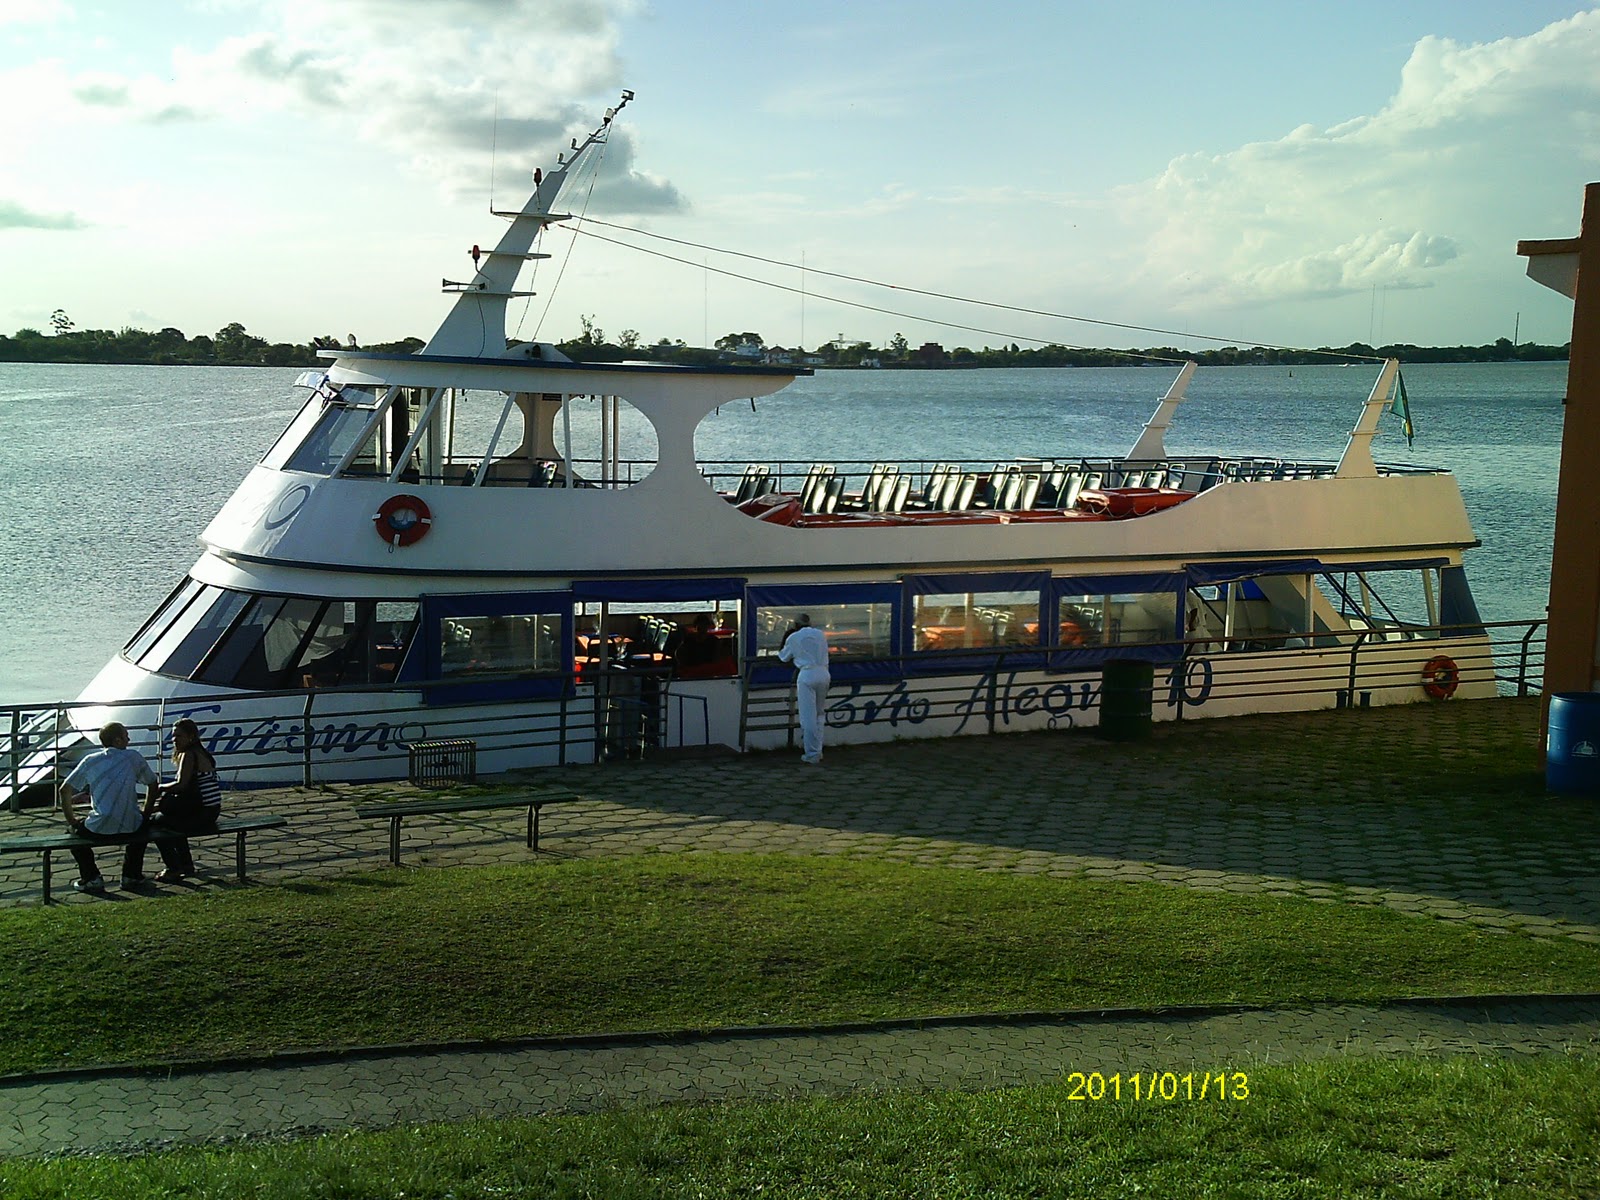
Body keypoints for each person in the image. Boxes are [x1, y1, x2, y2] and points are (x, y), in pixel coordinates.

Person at [58, 721, 158, 892]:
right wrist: (146, 812)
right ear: (117, 740)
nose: (129, 740)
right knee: (143, 827)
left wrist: (72, 820)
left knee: (73, 834)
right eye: (126, 736)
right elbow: (152, 784)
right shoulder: (133, 757)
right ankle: (131, 875)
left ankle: (91, 877)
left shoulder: (90, 761)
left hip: (99, 825)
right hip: (131, 824)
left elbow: (64, 790)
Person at [146, 718, 223, 882]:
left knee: (157, 825)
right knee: (171, 823)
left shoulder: (189, 755)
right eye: (173, 736)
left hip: (202, 813)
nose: (174, 740)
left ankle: (174, 867)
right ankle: (185, 865)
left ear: (191, 736)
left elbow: (181, 785)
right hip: (211, 810)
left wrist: (160, 788)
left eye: (179, 736)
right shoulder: (201, 752)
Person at [778, 613, 831, 764]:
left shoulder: (793, 637)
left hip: (807, 674)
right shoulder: (820, 634)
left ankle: (811, 753)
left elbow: (783, 657)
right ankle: (818, 750)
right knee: (819, 714)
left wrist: (786, 637)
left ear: (795, 624)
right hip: (824, 673)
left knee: (808, 717)